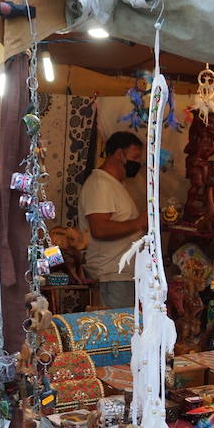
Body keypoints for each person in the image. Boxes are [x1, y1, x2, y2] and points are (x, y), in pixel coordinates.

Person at [82, 131, 146, 308]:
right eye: (135, 156)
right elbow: (100, 229)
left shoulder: (115, 185)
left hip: (122, 277)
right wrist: (139, 223)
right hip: (111, 277)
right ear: (119, 154)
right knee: (117, 333)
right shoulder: (100, 184)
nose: (138, 163)